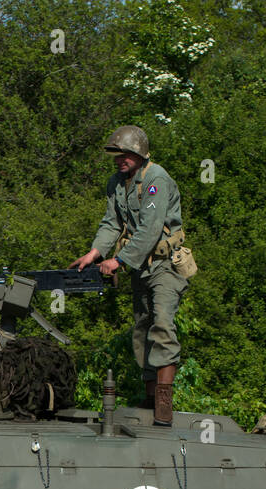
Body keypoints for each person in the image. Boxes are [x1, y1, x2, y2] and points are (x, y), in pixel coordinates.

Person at [69, 125, 188, 426]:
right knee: (142, 329)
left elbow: (150, 229)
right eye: (116, 155)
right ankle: (149, 396)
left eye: (126, 155)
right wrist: (94, 253)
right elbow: (111, 223)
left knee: (162, 322)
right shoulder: (116, 183)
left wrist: (119, 261)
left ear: (139, 153)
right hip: (141, 267)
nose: (120, 160)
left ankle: (163, 402)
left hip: (164, 265)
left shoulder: (155, 179)